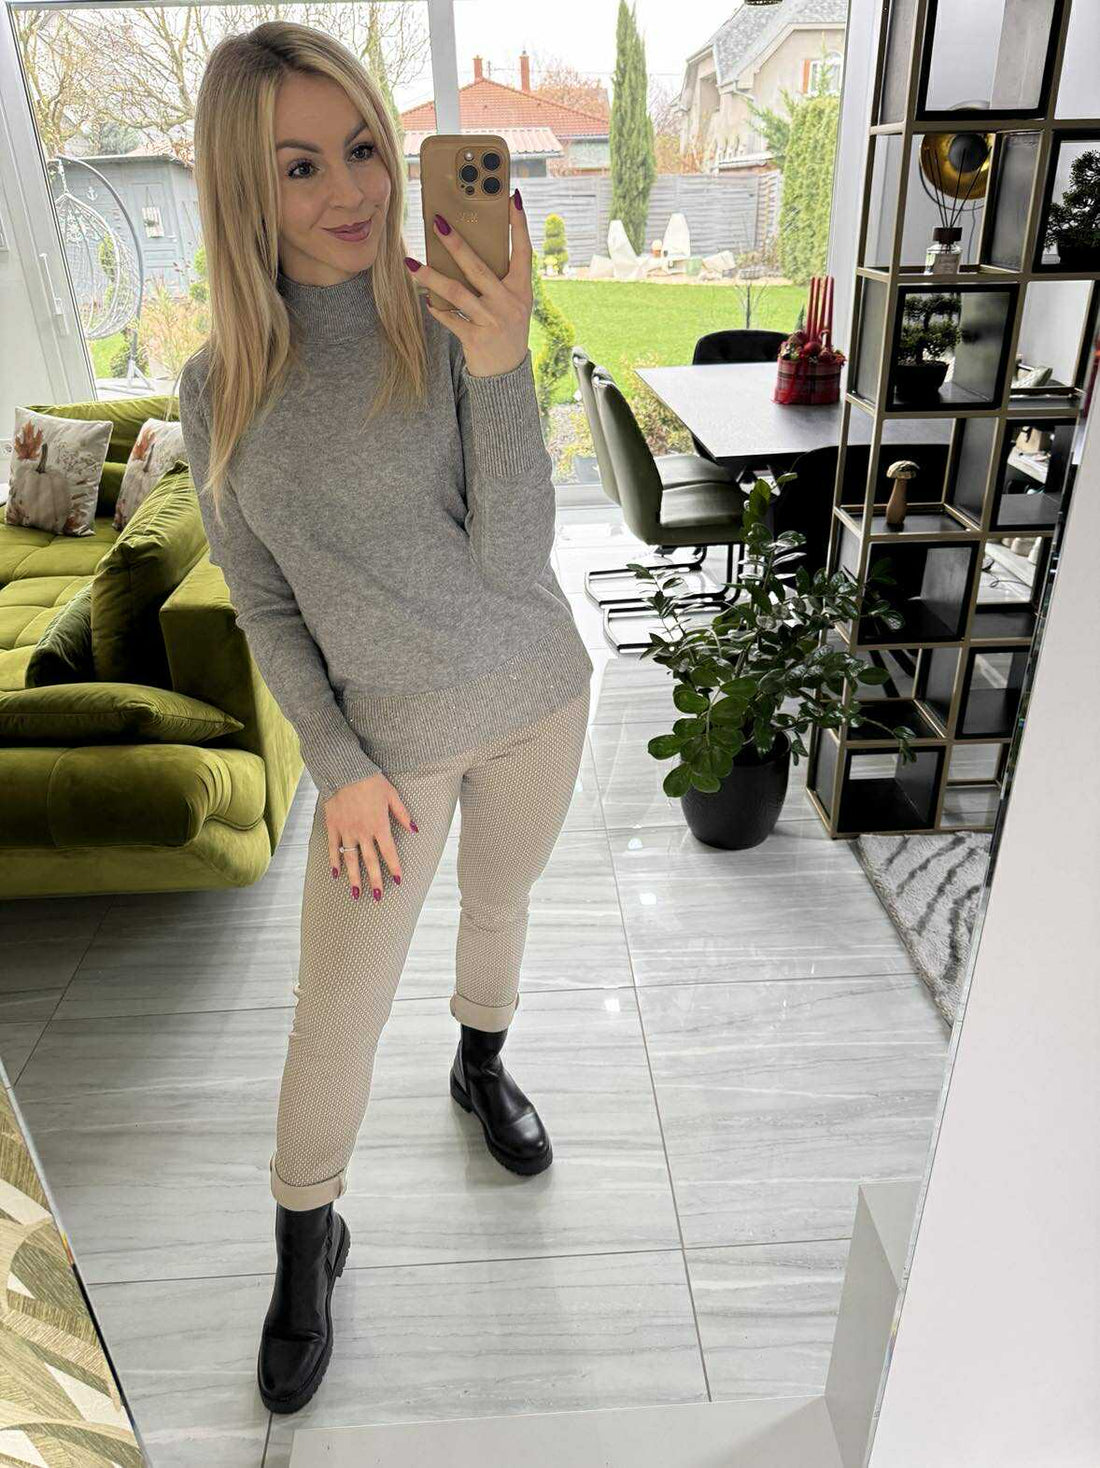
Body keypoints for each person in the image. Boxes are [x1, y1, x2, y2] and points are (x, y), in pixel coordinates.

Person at [176, 20, 593, 1416]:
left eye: (363, 147)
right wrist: (342, 764)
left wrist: (504, 364)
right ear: (244, 190)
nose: (352, 190)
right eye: (299, 166)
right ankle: (306, 1241)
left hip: (535, 694)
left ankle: (482, 1062)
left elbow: (515, 561)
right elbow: (266, 606)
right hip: (385, 757)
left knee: (499, 905)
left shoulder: (445, 315)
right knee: (335, 1018)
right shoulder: (221, 388)